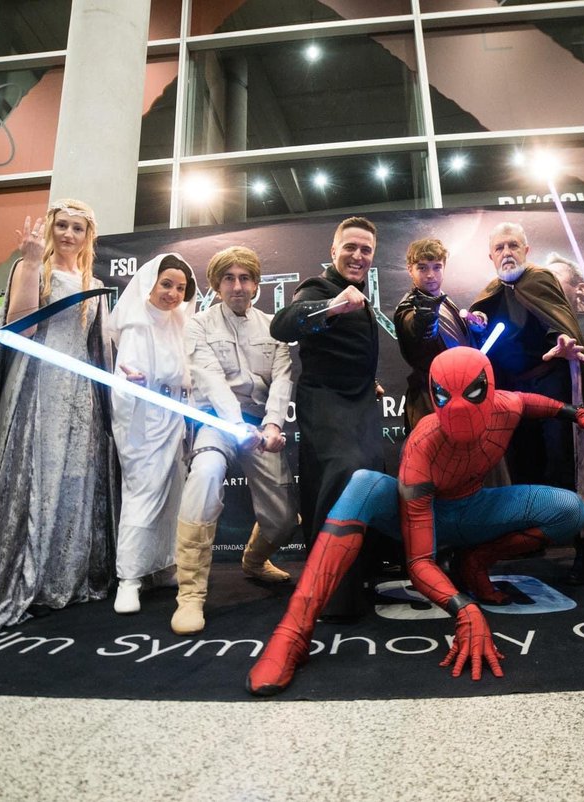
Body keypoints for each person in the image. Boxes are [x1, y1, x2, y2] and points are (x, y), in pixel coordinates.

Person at [247, 347, 584, 695]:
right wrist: (463, 608)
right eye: (446, 396)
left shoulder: (506, 405)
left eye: (473, 393)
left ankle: (475, 562)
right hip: (424, 519)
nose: (460, 408)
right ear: (434, 397)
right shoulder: (424, 443)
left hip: (473, 509)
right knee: (364, 484)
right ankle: (293, 633)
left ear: (490, 389)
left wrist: (576, 413)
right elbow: (419, 561)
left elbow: (533, 403)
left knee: (569, 509)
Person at [0, 199, 117, 635]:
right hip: (39, 384)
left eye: (78, 228)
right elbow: (20, 329)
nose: (69, 234)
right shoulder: (31, 268)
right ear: (51, 229)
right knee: (35, 479)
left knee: (75, 482)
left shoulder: (95, 281)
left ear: (89, 236)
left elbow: (98, 347)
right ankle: (25, 583)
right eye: (62, 226)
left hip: (80, 391)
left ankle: (63, 581)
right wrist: (31, 263)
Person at [470, 222, 584, 583]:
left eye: (513, 245)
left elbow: (558, 321)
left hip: (553, 387)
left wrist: (561, 340)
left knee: (567, 465)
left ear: (526, 250)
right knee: (526, 466)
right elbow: (480, 340)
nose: (506, 252)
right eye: (499, 248)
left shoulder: (539, 279)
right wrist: (477, 324)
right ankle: (532, 540)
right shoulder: (490, 293)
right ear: (490, 256)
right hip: (514, 395)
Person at [172, 246, 297, 635]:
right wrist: (235, 427)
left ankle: (255, 561)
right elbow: (208, 377)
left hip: (261, 426)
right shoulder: (198, 324)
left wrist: (274, 425)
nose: (238, 286)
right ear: (216, 285)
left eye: (245, 278)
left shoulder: (274, 327)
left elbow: (282, 379)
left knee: (282, 522)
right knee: (205, 476)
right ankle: (190, 595)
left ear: (256, 284)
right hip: (216, 421)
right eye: (229, 278)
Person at [270, 216, 386, 621]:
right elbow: (283, 324)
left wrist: (368, 382)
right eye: (350, 247)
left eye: (366, 249)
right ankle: (329, 592)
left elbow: (348, 348)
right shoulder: (318, 288)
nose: (357, 255)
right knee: (342, 479)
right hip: (325, 401)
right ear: (333, 250)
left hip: (359, 401)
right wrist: (333, 306)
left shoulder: (360, 291)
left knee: (371, 481)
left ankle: (362, 579)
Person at [108, 252, 197, 615]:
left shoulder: (181, 322)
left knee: (174, 493)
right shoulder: (136, 322)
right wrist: (133, 382)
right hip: (143, 420)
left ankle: (163, 567)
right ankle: (128, 580)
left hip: (175, 418)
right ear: (150, 284)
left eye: (180, 287)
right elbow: (124, 375)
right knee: (142, 494)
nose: (173, 293)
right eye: (166, 284)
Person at [393, 237, 487, 430]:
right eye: (422, 268)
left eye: (436, 267)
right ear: (410, 269)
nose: (430, 275)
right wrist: (424, 320)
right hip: (434, 399)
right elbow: (415, 329)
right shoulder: (408, 307)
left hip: (462, 392)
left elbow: (460, 344)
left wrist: (476, 325)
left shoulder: (443, 299)